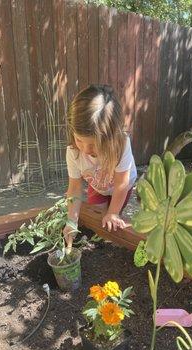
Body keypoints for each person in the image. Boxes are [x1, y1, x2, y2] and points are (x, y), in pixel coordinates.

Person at [63, 84, 137, 248]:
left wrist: (113, 213)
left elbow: (121, 184)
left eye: (94, 144)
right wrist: (71, 221)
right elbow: (74, 188)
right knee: (99, 219)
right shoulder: (73, 152)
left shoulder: (122, 144)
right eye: (79, 140)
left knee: (113, 216)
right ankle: (104, 240)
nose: (85, 149)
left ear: (111, 137)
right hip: (96, 185)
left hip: (121, 186)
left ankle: (114, 238)